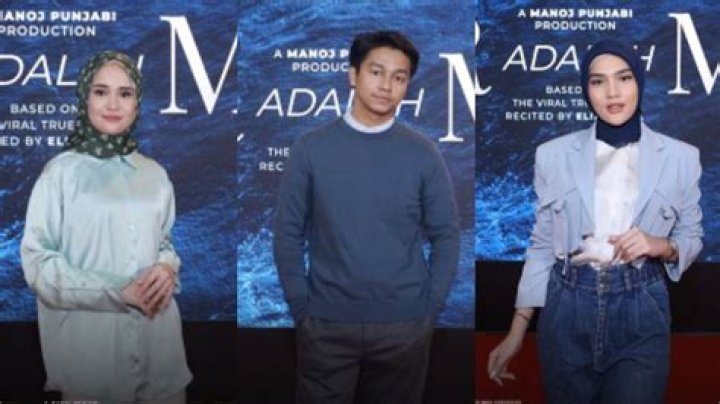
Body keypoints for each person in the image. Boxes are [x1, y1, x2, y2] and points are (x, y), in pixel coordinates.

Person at [487, 39, 703, 403]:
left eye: (624, 78)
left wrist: (660, 245)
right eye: (598, 81)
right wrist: (517, 330)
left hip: (641, 308)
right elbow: (542, 245)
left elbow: (692, 234)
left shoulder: (681, 158)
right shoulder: (553, 155)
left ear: (639, 82)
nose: (612, 92)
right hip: (566, 309)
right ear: (586, 89)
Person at [273, 30, 460, 404]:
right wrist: (302, 308)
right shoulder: (310, 148)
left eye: (399, 77)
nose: (386, 85)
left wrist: (428, 309)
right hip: (325, 324)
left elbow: (447, 235)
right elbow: (287, 233)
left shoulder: (423, 153)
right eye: (376, 72)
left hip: (405, 327)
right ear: (353, 75)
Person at [21, 51, 192, 403]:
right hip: (91, 362)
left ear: (137, 103)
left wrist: (166, 268)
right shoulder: (59, 174)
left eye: (125, 93)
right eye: (101, 92)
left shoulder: (155, 174)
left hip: (162, 356)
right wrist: (118, 291)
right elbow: (39, 266)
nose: (113, 104)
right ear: (85, 98)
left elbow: (164, 243)